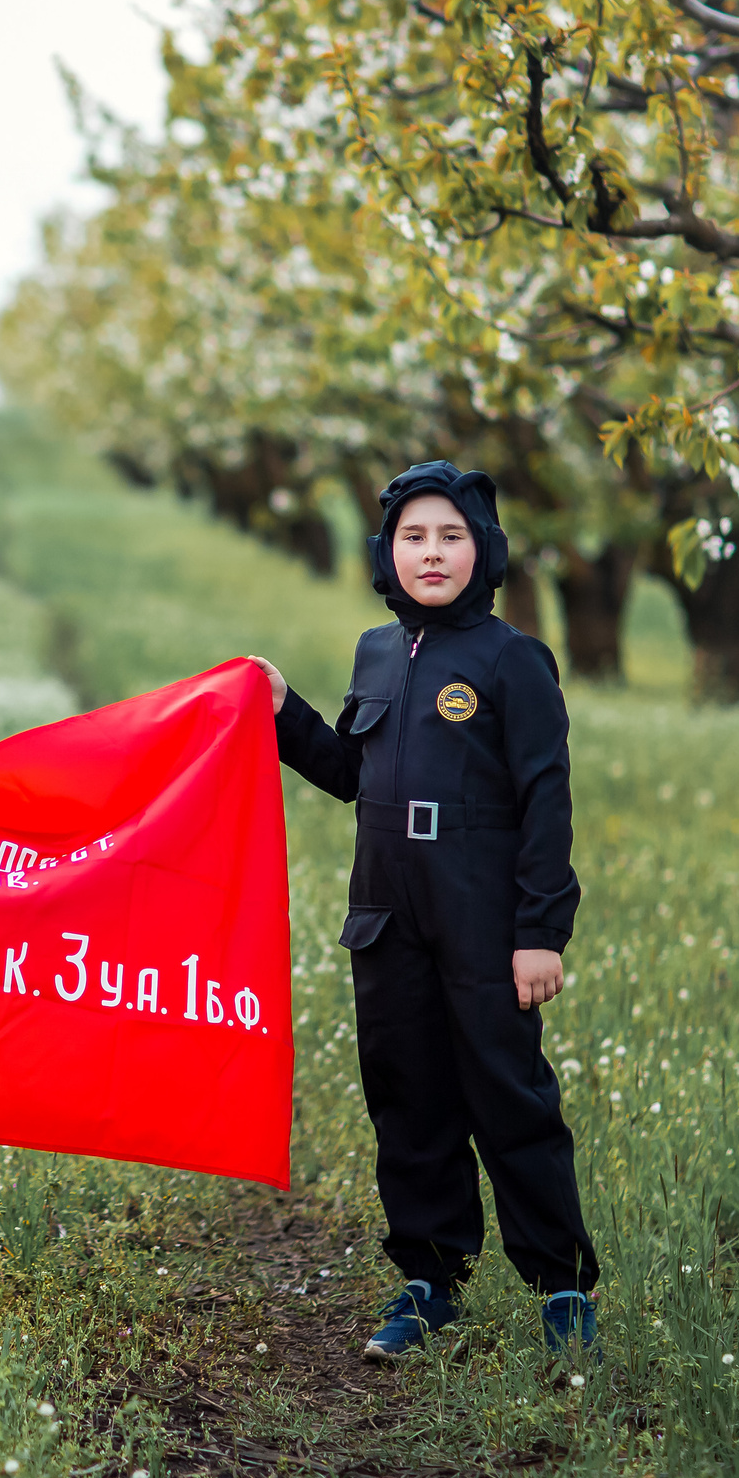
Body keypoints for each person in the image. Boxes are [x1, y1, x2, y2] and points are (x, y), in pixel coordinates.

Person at [253, 460, 599, 1362]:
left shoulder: (512, 659)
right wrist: (283, 710)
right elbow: (351, 775)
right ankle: (429, 1280)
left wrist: (539, 933)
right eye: (414, 536)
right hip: (387, 917)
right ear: (388, 552)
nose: (432, 552)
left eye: (451, 535)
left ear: (483, 550)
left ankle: (562, 1289)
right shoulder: (376, 651)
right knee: (406, 1095)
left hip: (482, 921)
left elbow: (546, 800)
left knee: (508, 1094)